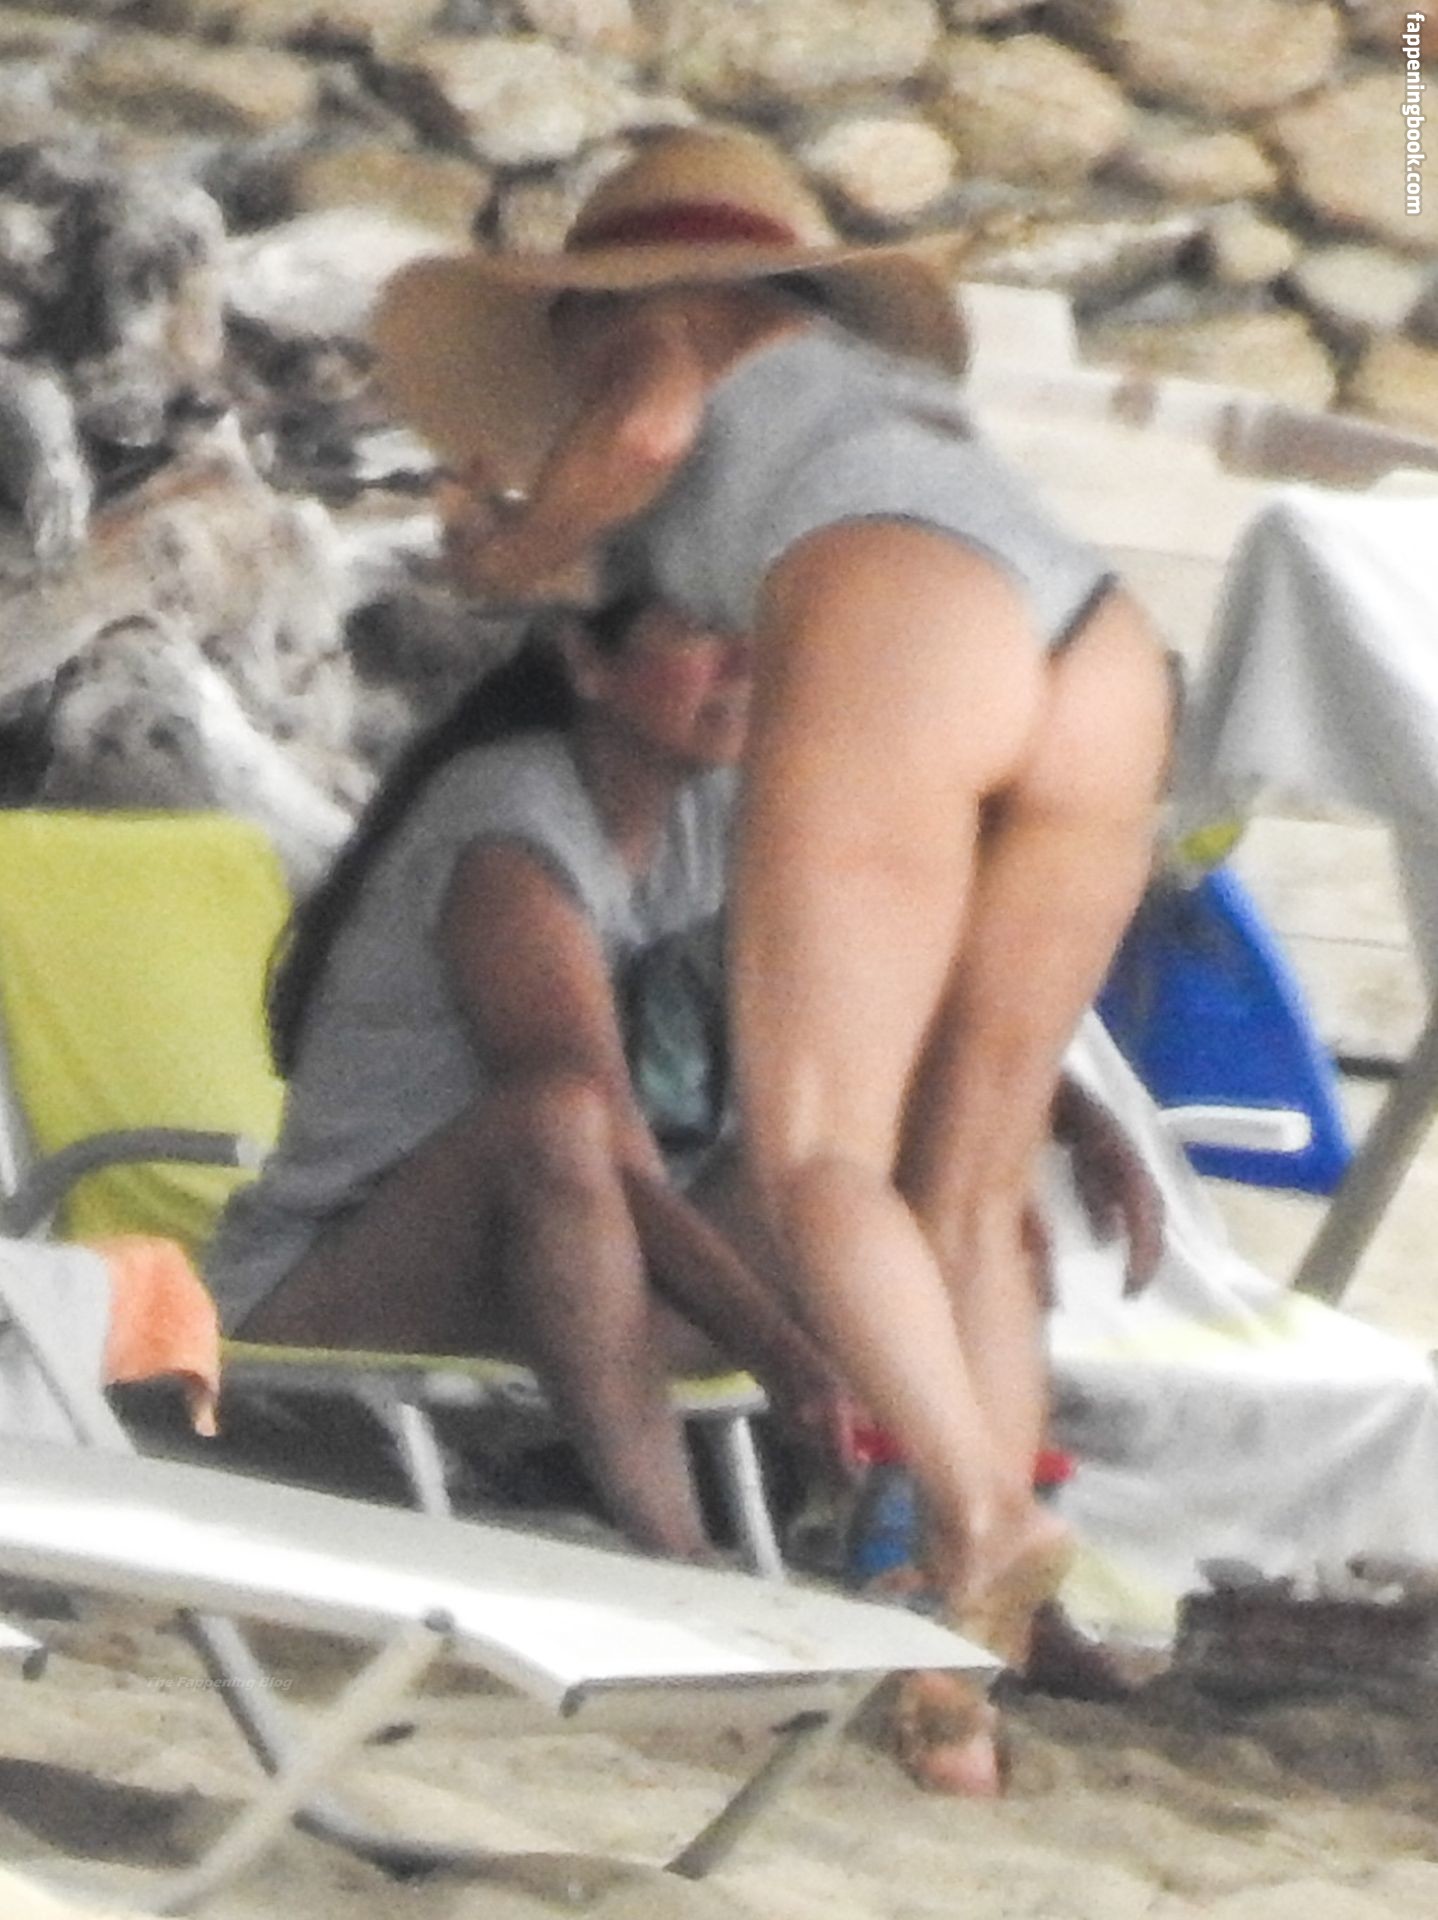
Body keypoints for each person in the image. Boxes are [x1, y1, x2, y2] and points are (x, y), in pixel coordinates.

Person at [373, 125, 1176, 1793]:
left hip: (905, 611)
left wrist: (504, 555)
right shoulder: (849, 387)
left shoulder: (654, 329)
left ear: (612, 288)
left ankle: (978, 1515)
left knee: (820, 1156)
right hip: (1098, 649)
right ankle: (954, 1700)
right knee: (974, 1193)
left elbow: (641, 432)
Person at [205, 594, 853, 1565]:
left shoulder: (706, 814)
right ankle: (678, 1561)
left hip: (563, 1286)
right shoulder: (510, 828)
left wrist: (1065, 1117)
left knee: (841, 1150)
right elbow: (603, 1153)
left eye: (752, 630)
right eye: (699, 630)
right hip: (327, 1290)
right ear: (587, 663)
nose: (743, 661)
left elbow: (879, 995)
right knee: (555, 1123)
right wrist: (785, 1356)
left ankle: (940, 1540)